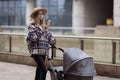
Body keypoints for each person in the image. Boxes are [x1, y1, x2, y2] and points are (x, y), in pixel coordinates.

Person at [26, 7, 58, 80]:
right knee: (44, 70)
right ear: (35, 15)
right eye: (39, 14)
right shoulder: (31, 26)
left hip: (43, 51)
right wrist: (42, 30)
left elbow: (49, 37)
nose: (41, 16)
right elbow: (33, 38)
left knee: (39, 70)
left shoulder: (42, 26)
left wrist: (55, 44)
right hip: (35, 51)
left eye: (42, 14)